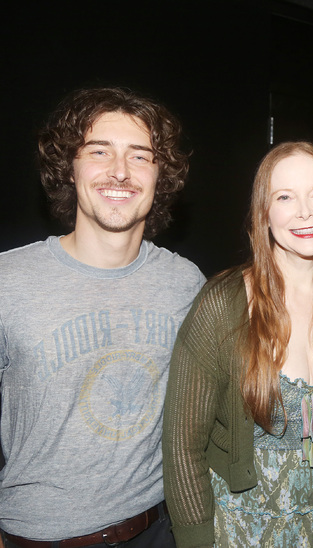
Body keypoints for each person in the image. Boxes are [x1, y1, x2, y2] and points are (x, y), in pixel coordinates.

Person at [0, 88, 205, 547]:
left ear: (160, 176)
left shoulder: (184, 282)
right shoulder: (6, 283)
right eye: (99, 152)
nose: (119, 171)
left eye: (140, 157)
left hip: (157, 531)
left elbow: (247, 350)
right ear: (68, 170)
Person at [162, 141, 313, 547]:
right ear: (264, 213)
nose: (305, 212)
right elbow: (181, 447)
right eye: (285, 197)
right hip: (247, 526)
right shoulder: (223, 304)